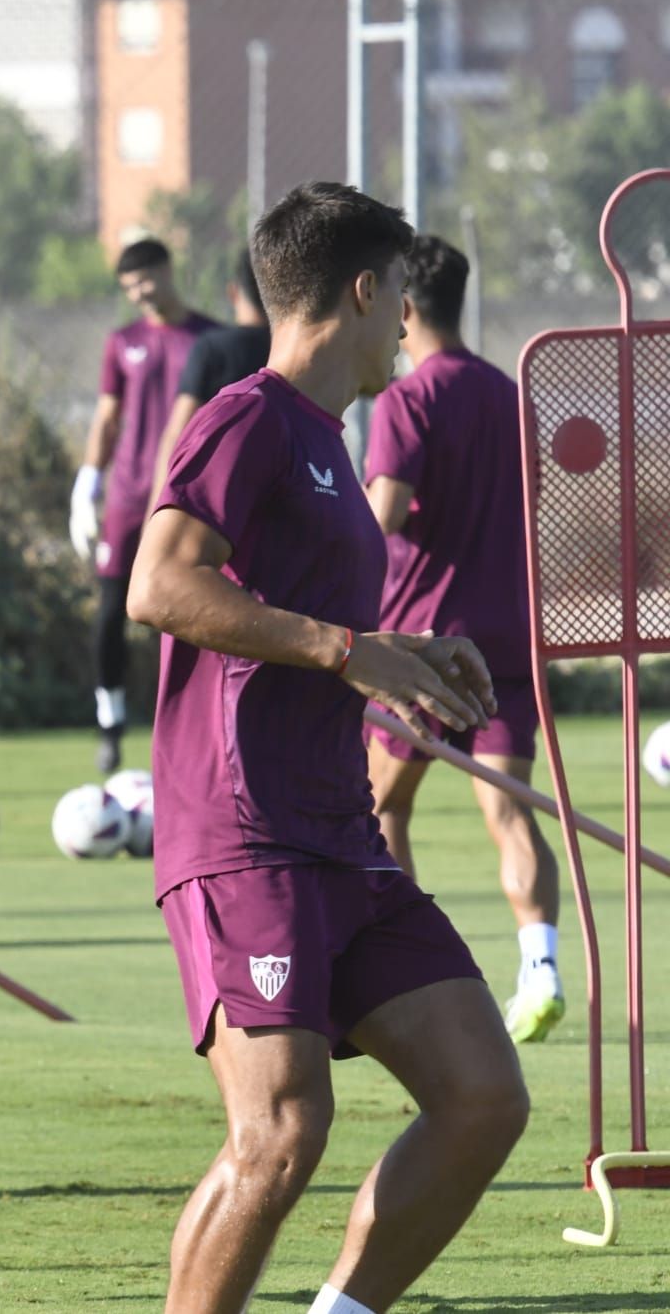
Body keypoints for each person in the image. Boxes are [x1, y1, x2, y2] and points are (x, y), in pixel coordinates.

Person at [128, 182, 529, 1314]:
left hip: (340, 838)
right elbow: (160, 586)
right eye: (399, 292)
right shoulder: (246, 417)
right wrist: (348, 649)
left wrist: (405, 652)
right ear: (362, 291)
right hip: (242, 832)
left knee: (482, 1095)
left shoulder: (326, 444)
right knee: (280, 1132)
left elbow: (306, 625)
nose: (407, 318)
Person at [363, 234, 562, 1044]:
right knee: (511, 812)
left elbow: (381, 517)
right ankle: (541, 967)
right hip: (507, 640)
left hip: (422, 648)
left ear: (404, 307)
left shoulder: (405, 400)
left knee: (381, 807)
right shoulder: (513, 396)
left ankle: (409, 977)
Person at [70, 239, 217, 773]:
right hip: (129, 498)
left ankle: (184, 724)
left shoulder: (210, 340)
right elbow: (108, 417)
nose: (139, 293)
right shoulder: (123, 342)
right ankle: (109, 722)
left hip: (187, 500)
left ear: (167, 271)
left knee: (184, 614)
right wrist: (89, 480)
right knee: (111, 611)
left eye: (145, 280)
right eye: (129, 287)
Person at [145, 248, 271, 517]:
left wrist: (155, 516)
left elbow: (177, 433)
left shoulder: (213, 348)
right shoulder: (292, 351)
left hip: (219, 502)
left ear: (233, 292)